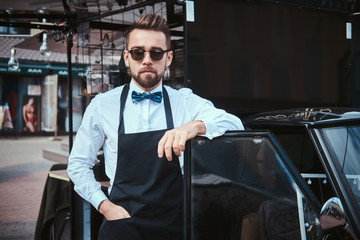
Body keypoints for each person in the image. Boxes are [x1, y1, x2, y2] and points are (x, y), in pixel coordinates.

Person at [67, 14, 244, 239]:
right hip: (122, 227)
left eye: (156, 52)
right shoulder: (103, 105)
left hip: (174, 227)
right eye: (138, 52)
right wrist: (105, 206)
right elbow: (77, 165)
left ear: (168, 58)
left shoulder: (184, 101)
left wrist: (194, 126)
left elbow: (234, 124)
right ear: (127, 57)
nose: (147, 59)